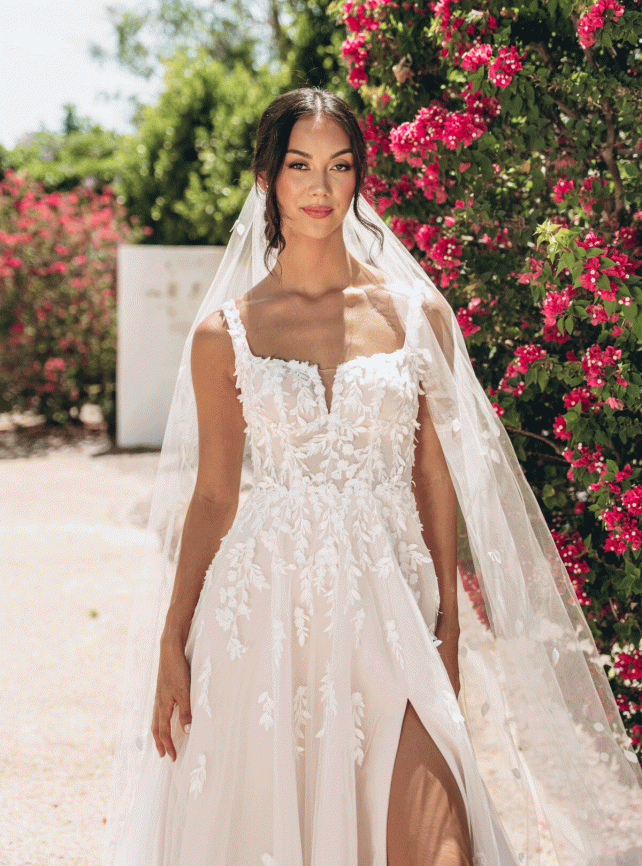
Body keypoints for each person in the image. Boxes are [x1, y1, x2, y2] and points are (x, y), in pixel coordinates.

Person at [104, 89, 642, 866]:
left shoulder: (415, 314)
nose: (320, 188)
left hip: (393, 606)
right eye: (299, 167)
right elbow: (216, 496)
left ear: (358, 179)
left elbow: (433, 472)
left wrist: (450, 624)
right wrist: (171, 642)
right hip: (264, 618)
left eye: (339, 166)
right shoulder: (226, 334)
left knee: (440, 849)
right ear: (268, 179)